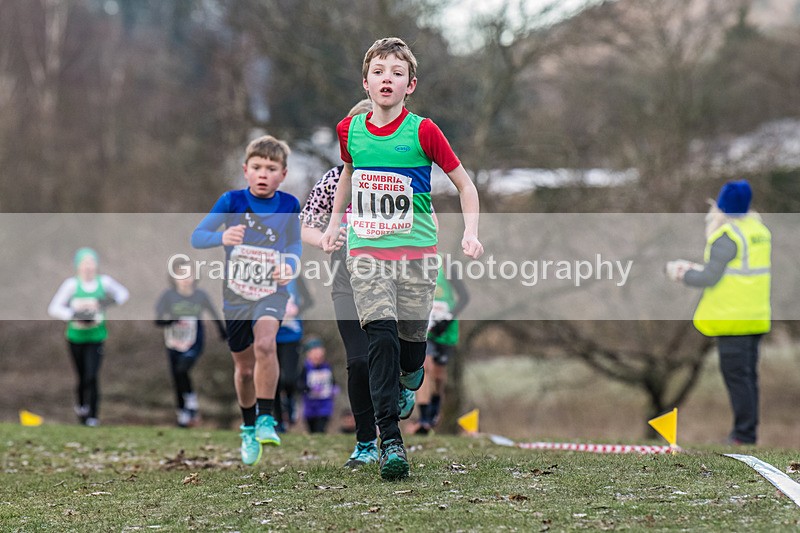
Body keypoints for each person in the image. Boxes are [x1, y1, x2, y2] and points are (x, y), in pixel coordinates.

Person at [320, 37, 484, 480]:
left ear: (410, 84)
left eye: (396, 73)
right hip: (367, 250)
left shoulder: (424, 131)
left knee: (412, 354)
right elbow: (350, 175)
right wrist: (336, 223)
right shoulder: (348, 130)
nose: (386, 79)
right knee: (381, 338)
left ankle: (410, 381)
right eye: (378, 71)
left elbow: (465, 185)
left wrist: (471, 233)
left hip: (417, 254)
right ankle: (390, 441)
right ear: (366, 82)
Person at [301, 98, 416, 470]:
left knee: (389, 351)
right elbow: (305, 222)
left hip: (389, 273)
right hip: (344, 275)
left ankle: (399, 387)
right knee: (358, 360)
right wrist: (323, 240)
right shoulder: (335, 179)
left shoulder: (397, 178)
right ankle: (367, 441)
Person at [191, 135, 301, 465]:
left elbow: (295, 246)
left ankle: (267, 418)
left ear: (283, 173)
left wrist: (290, 266)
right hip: (236, 294)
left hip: (272, 291)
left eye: (271, 168)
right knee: (243, 369)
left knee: (266, 345)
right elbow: (197, 237)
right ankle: (249, 425)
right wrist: (221, 236)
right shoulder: (231, 201)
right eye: (256, 168)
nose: (263, 174)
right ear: (245, 170)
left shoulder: (289, 205)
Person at [667, 179, 770, 445]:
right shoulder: (757, 230)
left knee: (737, 379)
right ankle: (746, 433)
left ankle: (743, 436)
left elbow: (710, 277)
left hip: (732, 319)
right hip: (755, 317)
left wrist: (682, 274)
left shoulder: (727, 237)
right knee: (747, 378)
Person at [47, 247, 129, 426]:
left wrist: (104, 303)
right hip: (75, 337)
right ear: (78, 266)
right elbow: (54, 308)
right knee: (82, 376)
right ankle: (81, 407)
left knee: (92, 375)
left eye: (91, 263)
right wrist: (74, 315)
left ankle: (93, 415)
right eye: (84, 263)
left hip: (96, 336)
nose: (88, 267)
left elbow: (123, 294)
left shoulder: (104, 282)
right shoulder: (71, 285)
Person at [155, 258, 227, 427]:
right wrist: (169, 321)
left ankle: (192, 403)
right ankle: (183, 414)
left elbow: (215, 314)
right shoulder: (168, 296)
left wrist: (224, 332)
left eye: (189, 274)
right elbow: (158, 319)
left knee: (183, 368)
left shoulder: (200, 296)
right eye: (181, 274)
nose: (185, 278)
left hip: (194, 339)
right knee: (177, 376)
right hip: (173, 340)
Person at [415, 254, 470, 434]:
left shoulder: (446, 265)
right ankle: (423, 419)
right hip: (426, 330)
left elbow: (464, 297)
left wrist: (447, 319)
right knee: (425, 367)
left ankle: (435, 409)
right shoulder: (412, 263)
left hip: (446, 330)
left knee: (439, 376)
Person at [274, 278, 313, 432]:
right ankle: (278, 421)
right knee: (273, 380)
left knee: (289, 378)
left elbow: (309, 300)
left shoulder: (296, 277)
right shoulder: (264, 274)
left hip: (292, 335)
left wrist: (298, 309)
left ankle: (290, 400)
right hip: (270, 336)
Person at [298, 337, 339, 433]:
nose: (318, 355)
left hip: (325, 404)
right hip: (310, 406)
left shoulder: (328, 367)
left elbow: (333, 381)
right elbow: (299, 385)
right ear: (308, 354)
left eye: (320, 352)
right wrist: (309, 389)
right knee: (312, 429)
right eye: (314, 352)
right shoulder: (305, 368)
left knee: (321, 428)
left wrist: (334, 388)